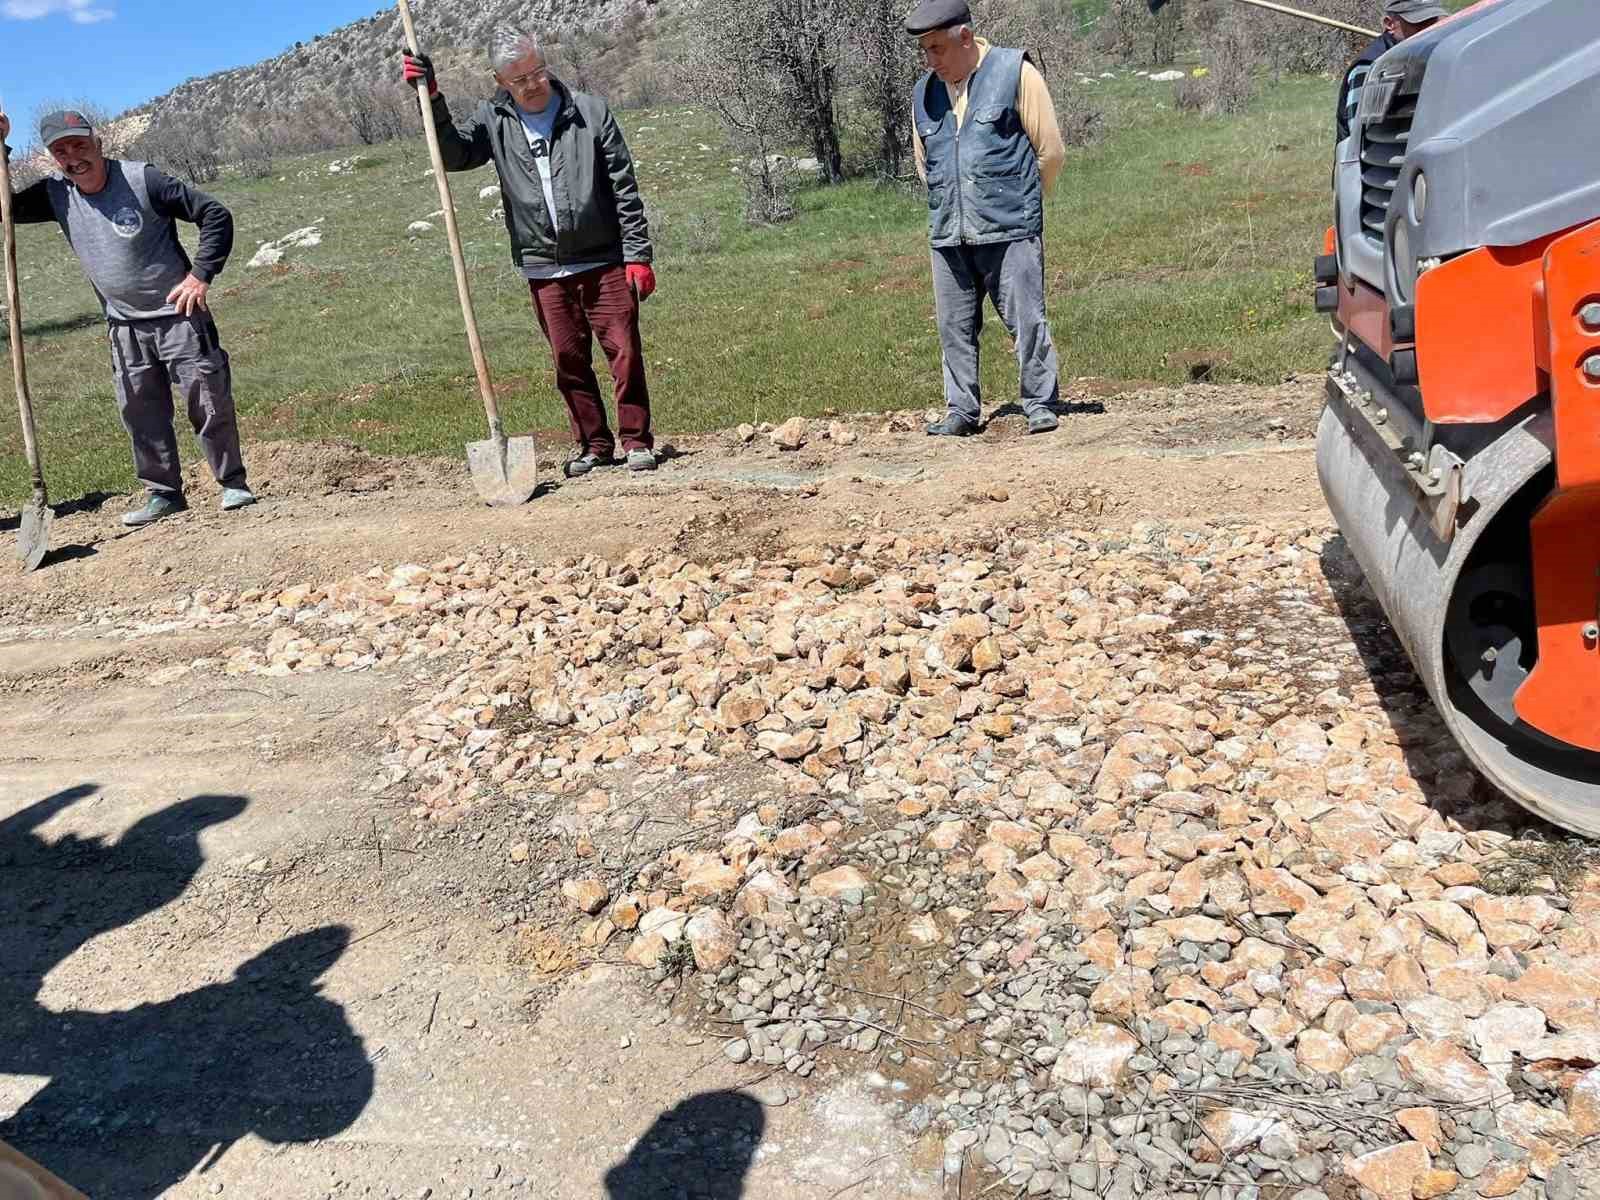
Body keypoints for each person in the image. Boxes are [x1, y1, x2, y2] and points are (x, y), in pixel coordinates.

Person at [402, 27, 659, 477]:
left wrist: (637, 254)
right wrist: (433, 97)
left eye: (538, 71)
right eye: (520, 79)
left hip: (604, 258)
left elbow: (624, 188)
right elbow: (456, 156)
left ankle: (636, 441)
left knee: (625, 352)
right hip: (543, 266)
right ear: (501, 82)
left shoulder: (590, 112)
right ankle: (594, 446)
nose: (534, 83)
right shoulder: (493, 119)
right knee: (568, 362)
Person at [0, 110, 254, 527]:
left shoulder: (143, 180)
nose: (73, 157)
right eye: (61, 150)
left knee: (207, 401)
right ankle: (164, 495)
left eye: (80, 145)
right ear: (52, 157)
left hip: (180, 315)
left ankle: (232, 484)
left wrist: (200, 276)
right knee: (140, 412)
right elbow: (2, 207)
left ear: (97, 144)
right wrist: (1, 148)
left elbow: (215, 215)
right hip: (123, 325)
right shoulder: (56, 194)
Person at [906, 0, 1067, 439]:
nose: (931, 60)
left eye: (937, 48)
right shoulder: (924, 92)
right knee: (953, 328)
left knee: (1027, 320)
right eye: (925, 50)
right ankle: (960, 410)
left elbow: (1049, 150)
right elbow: (926, 163)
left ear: (965, 38)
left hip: (1010, 226)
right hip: (948, 234)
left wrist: (1025, 205)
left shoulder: (1016, 72)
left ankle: (1039, 402)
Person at [1336, 0, 1446, 143]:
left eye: (1433, 21)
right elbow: (1358, 136)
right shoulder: (1368, 67)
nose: (1429, 29)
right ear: (1390, 24)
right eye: (1420, 22)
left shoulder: (1428, 55)